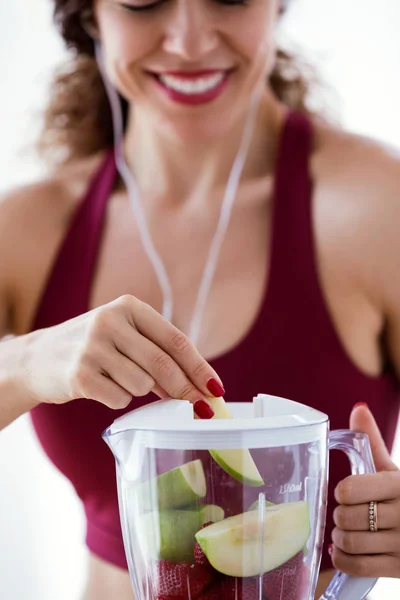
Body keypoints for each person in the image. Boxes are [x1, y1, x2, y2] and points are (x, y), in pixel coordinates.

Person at [0, 0, 399, 598]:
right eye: (142, 1)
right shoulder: (30, 229)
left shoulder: (377, 209)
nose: (188, 42)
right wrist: (26, 362)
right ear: (88, 14)